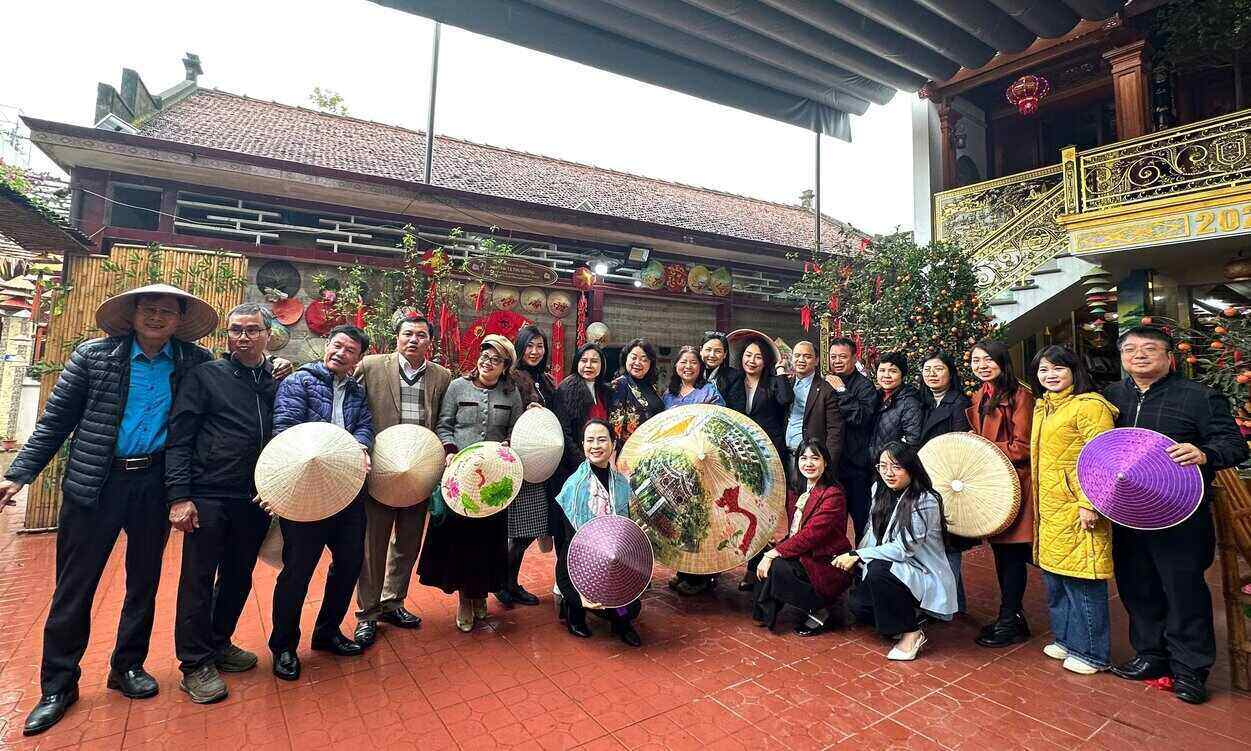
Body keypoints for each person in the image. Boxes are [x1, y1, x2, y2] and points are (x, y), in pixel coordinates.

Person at [2, 285, 220, 736]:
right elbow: (55, 422)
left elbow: (221, 401)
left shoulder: (194, 363)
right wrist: (18, 474)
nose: (157, 317)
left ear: (180, 320)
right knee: (74, 587)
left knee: (143, 581)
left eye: (167, 312)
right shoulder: (94, 357)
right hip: (96, 484)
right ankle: (58, 685)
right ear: (133, 313)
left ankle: (128, 666)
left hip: (154, 485)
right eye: (149, 309)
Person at [1102, 326, 1248, 704]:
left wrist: (1204, 454)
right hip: (1128, 512)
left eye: (1149, 348)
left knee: (1184, 589)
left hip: (1180, 513)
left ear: (1169, 357)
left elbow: (1234, 445)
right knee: (1137, 585)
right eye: (1130, 349)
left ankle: (1190, 668)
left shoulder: (1199, 396)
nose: (1139, 355)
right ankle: (1150, 655)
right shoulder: (1112, 397)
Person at [165, 303, 281, 704]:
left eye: (252, 330)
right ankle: (194, 663)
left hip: (254, 497)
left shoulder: (274, 380)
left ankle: (218, 642)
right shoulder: (205, 376)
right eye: (236, 330)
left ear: (268, 335)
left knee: (238, 576)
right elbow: (179, 438)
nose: (243, 337)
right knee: (197, 580)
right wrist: (180, 496)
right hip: (209, 493)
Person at [268, 325, 374, 681]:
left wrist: (361, 445)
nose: (340, 353)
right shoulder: (299, 382)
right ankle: (284, 645)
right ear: (327, 346)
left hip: (347, 490)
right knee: (298, 569)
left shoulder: (357, 391)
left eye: (350, 350)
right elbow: (285, 428)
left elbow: (365, 426)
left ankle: (327, 632)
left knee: (349, 563)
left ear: (358, 359)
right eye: (337, 345)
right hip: (307, 490)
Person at [351, 310, 452, 648]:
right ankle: (367, 613)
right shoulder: (371, 367)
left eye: (421, 335)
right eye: (408, 333)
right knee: (373, 545)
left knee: (408, 543)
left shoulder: (441, 376)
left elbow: (443, 419)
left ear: (430, 341)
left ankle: (393, 601)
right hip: (380, 470)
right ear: (397, 336)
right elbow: (352, 407)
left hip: (419, 472)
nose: (414, 340)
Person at [419, 336, 525, 632]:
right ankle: (465, 600)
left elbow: (515, 430)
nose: (487, 363)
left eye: (495, 360)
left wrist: (509, 444)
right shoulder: (457, 387)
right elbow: (444, 424)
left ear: (505, 367)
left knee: (488, 543)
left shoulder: (511, 393)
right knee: (462, 542)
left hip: (494, 480)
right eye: (485, 356)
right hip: (461, 477)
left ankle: (480, 595)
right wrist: (450, 450)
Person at [1028, 345, 1117, 676]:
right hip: (1050, 508)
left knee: (1083, 580)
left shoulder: (1090, 406)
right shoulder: (1044, 406)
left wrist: (1090, 503)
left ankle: (1092, 653)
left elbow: (1105, 458)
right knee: (1056, 579)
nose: (1050, 375)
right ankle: (1066, 639)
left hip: (1080, 507)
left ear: (1074, 371)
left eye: (1058, 369)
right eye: (1043, 370)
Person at [834, 441, 956, 661]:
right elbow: (872, 533)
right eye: (883, 466)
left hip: (919, 569)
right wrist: (858, 559)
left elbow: (903, 550)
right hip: (892, 565)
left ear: (911, 468)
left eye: (896, 467)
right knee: (858, 606)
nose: (888, 473)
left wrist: (858, 555)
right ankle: (909, 615)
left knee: (879, 570)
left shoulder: (925, 500)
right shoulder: (879, 489)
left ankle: (912, 632)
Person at [967, 340, 1036, 648]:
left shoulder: (1021, 396)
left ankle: (1010, 620)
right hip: (992, 482)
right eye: (976, 361)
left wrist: (982, 448)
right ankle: (1011, 616)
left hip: (1014, 484)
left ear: (1002, 361)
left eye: (988, 360)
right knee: (1001, 554)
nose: (982, 366)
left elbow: (1023, 446)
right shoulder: (980, 395)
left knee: (1012, 555)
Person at [554, 419, 643, 646]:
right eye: (590, 440)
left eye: (602, 440)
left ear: (613, 444)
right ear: (583, 445)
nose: (595, 446)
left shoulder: (621, 484)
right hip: (582, 559)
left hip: (612, 556)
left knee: (630, 608)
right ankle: (573, 610)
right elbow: (570, 546)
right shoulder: (574, 487)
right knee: (583, 598)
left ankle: (621, 622)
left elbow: (625, 528)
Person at [751, 439, 852, 635]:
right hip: (804, 553)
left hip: (824, 560)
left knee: (778, 564)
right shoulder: (797, 490)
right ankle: (766, 610)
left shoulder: (833, 495)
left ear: (826, 462)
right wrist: (776, 546)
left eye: (815, 458)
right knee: (760, 551)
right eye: (803, 458)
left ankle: (821, 610)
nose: (808, 463)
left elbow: (810, 536)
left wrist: (775, 553)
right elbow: (795, 531)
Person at [499, 324, 558, 608]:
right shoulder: (512, 378)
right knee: (522, 530)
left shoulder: (545, 380)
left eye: (540, 346)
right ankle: (504, 583)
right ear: (520, 347)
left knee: (528, 528)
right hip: (522, 462)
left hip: (542, 463)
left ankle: (508, 583)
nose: (535, 351)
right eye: (529, 345)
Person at [662, 345, 725, 597]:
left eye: (693, 362)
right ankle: (685, 568)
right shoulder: (669, 394)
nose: (688, 366)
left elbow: (720, 424)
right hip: (676, 466)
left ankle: (703, 575)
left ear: (700, 367)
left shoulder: (709, 391)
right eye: (683, 362)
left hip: (702, 464)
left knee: (701, 517)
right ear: (676, 365)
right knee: (680, 518)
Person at [917, 351, 973, 613]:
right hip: (926, 478)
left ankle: (946, 605)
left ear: (951, 373)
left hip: (950, 481)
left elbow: (959, 444)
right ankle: (953, 602)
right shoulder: (924, 402)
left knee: (949, 542)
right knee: (933, 540)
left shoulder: (959, 403)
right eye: (927, 369)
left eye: (938, 369)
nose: (932, 374)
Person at [824, 337, 878, 543]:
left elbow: (860, 418)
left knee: (861, 521)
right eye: (833, 357)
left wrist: (842, 391)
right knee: (831, 521)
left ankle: (861, 559)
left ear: (855, 358)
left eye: (843, 357)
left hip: (856, 466)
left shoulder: (865, 386)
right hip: (832, 464)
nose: (837, 361)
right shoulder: (826, 382)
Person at [554, 342, 611, 488]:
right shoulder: (566, 389)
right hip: (575, 467)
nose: (589, 366)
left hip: (601, 463)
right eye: (584, 360)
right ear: (577, 362)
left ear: (602, 365)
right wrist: (584, 463)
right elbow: (564, 433)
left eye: (594, 361)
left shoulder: (605, 390)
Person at [730, 335, 793, 460]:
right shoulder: (734, 381)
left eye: (758, 357)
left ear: (766, 361)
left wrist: (780, 369)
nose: (752, 361)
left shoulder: (773, 382)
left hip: (770, 447)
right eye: (748, 355)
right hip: (741, 448)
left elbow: (786, 399)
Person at [608, 338, 665, 454]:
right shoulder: (620, 384)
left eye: (644, 359)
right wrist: (612, 455)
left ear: (650, 363)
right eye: (634, 358)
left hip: (653, 450)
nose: (638, 363)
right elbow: (615, 425)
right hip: (630, 452)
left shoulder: (652, 386)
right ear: (626, 358)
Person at [867, 352, 923, 468]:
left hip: (893, 467)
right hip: (872, 465)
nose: (886, 375)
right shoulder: (875, 397)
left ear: (902, 375)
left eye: (893, 371)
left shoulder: (910, 402)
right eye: (882, 370)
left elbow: (912, 441)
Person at [701, 331, 745, 412]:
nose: (712, 355)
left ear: (725, 354)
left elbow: (737, 409)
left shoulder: (734, 377)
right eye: (708, 350)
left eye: (718, 351)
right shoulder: (693, 373)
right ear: (701, 350)